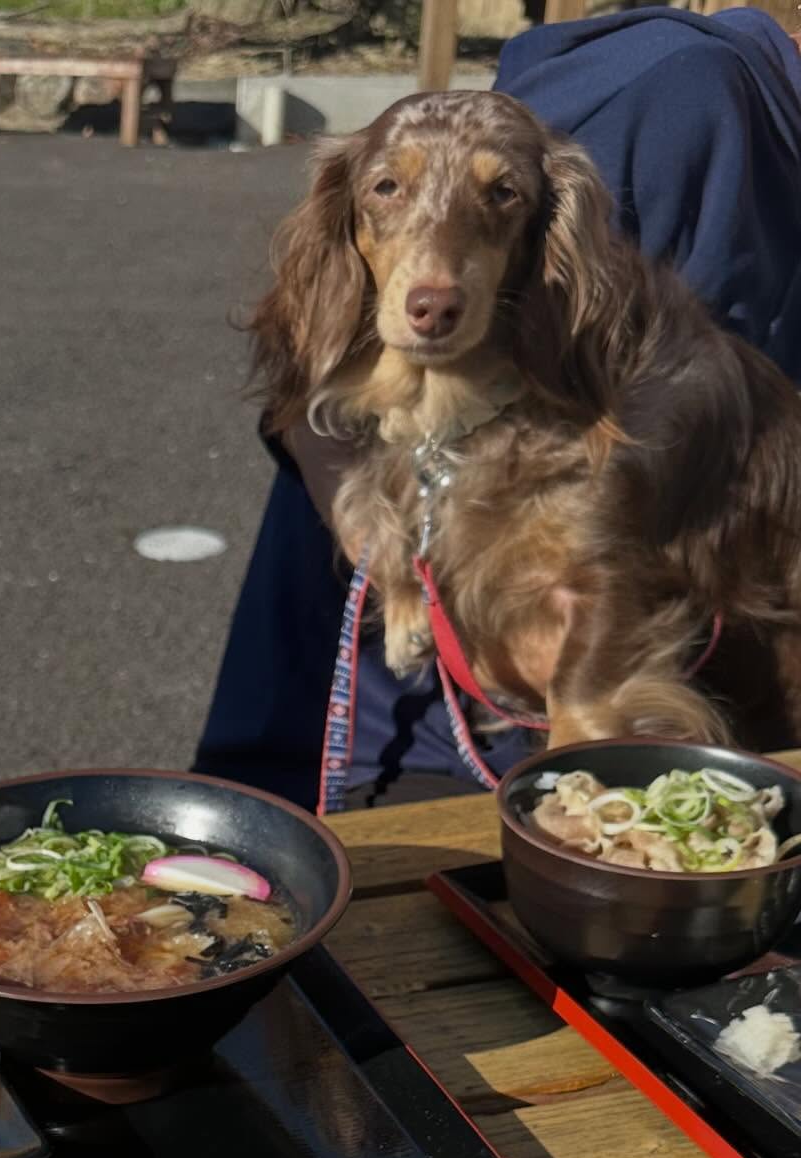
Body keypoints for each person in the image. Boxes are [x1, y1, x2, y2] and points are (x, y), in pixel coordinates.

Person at [195, 6, 801, 812]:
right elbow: (661, 415)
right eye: (390, 189)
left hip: (492, 627)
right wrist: (398, 551)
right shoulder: (690, 101)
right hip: (457, 707)